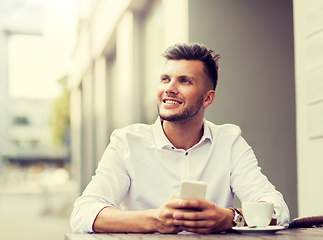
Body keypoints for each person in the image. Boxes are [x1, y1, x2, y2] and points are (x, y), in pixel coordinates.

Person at [70, 43, 290, 234]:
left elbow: (277, 209)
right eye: (165, 79)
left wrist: (230, 218)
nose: (169, 88)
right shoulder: (126, 142)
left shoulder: (229, 141)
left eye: (184, 81)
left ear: (208, 98)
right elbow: (83, 213)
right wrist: (154, 219)